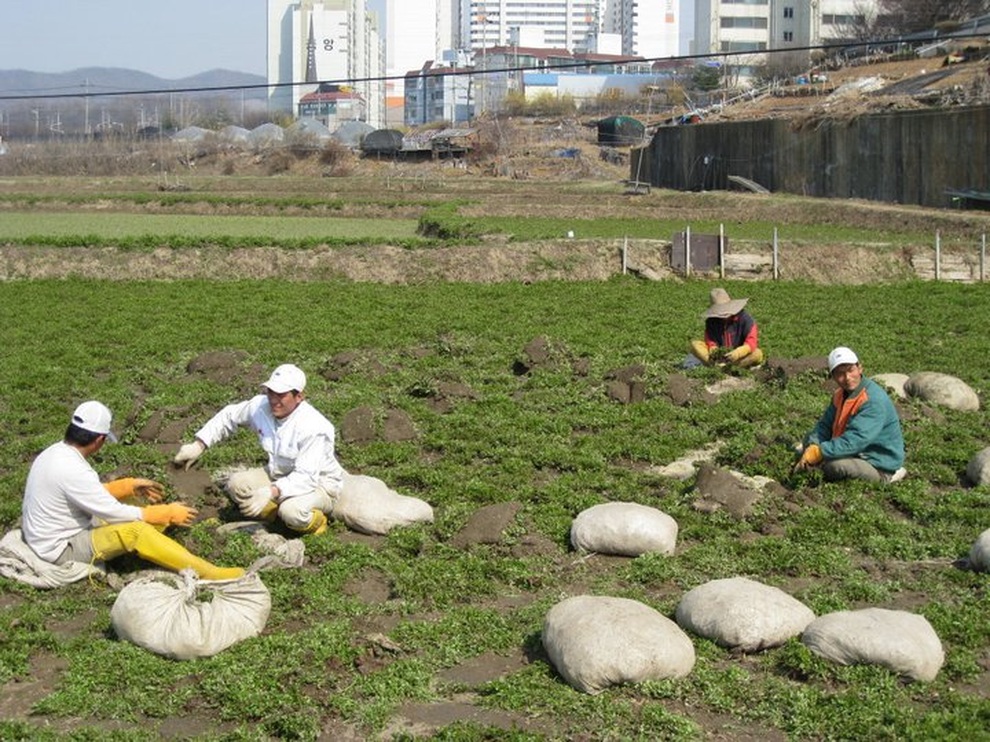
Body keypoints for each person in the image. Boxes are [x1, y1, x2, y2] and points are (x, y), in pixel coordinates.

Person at [21, 400, 244, 580]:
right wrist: (160, 513)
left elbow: (87, 494)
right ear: (99, 440)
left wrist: (128, 486)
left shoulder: (55, 453)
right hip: (61, 549)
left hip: (54, 532)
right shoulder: (74, 470)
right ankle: (207, 572)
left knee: (139, 512)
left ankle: (157, 547)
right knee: (136, 531)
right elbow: (111, 511)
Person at [173, 363, 342, 536]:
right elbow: (229, 415)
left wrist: (271, 491)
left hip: (318, 484)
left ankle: (317, 522)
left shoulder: (314, 427)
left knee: (292, 511)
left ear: (299, 397)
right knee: (237, 485)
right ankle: (275, 519)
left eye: (281, 395)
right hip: (279, 473)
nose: (274, 400)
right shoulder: (261, 406)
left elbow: (306, 477)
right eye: (270, 392)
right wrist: (199, 445)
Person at [795, 346, 907, 483]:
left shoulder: (873, 401)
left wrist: (820, 452)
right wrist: (813, 445)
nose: (847, 378)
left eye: (850, 370)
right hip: (852, 452)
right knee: (809, 440)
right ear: (833, 377)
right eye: (840, 374)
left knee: (835, 467)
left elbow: (855, 440)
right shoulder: (840, 395)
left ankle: (892, 476)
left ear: (860, 368)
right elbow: (824, 425)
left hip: (875, 463)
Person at [688, 287, 765, 369]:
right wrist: (714, 351)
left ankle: (729, 367)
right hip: (720, 357)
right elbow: (710, 340)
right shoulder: (711, 321)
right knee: (695, 345)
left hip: (740, 357)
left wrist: (737, 353)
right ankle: (717, 366)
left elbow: (751, 342)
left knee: (757, 353)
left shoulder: (745, 319)